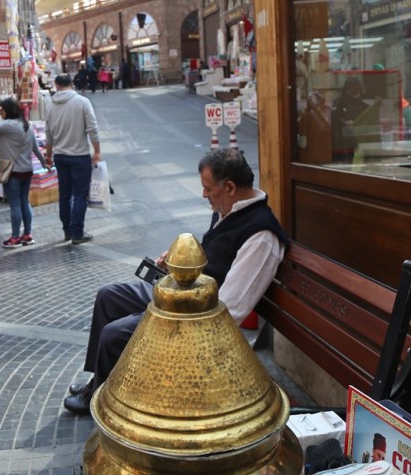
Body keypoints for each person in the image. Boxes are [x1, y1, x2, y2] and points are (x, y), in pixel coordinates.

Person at [64, 148, 288, 414]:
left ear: (229, 187)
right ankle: (99, 382)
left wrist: (163, 312)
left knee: (115, 335)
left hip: (195, 319)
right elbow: (216, 259)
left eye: (208, 188)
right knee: (108, 296)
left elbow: (230, 310)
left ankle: (102, 403)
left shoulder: (261, 236)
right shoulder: (228, 208)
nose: (204, 194)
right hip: (184, 295)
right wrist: (180, 263)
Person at [45, 72, 101, 244]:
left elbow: (48, 134)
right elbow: (92, 128)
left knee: (64, 195)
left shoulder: (50, 105)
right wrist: (97, 151)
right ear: (72, 84)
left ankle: (67, 231)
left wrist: (48, 155)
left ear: (56, 85)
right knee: (79, 195)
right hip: (79, 155)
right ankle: (77, 232)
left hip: (60, 156)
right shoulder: (82, 102)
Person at [0, 96, 46, 248]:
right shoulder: (26, 125)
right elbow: (35, 149)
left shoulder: (8, 125)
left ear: (5, 111)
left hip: (12, 171)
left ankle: (14, 238)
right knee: (25, 202)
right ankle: (27, 234)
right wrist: (45, 163)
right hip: (27, 170)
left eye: (2, 111)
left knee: (15, 204)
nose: (1, 114)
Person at [331, 76, 370, 162]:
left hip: (352, 139)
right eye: (354, 89)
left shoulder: (357, 100)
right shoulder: (339, 101)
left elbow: (366, 109)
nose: (356, 92)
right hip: (341, 141)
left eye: (358, 90)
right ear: (347, 89)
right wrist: (345, 122)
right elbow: (335, 118)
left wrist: (376, 105)